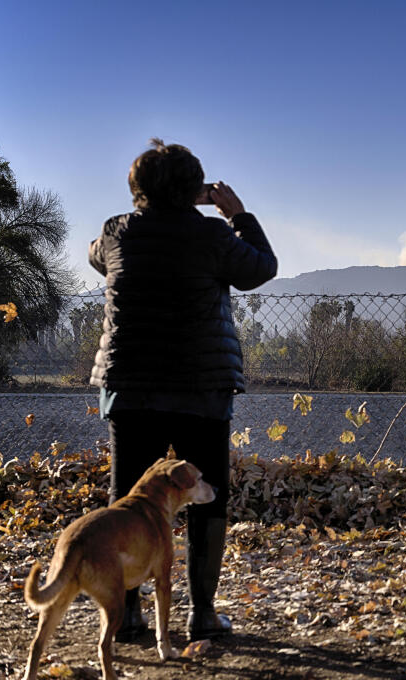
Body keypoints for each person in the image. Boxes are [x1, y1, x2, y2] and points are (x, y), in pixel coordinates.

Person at [88, 138, 277, 642]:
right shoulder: (214, 236)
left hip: (132, 387)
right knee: (207, 496)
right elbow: (262, 267)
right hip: (201, 387)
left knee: (126, 499)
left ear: (138, 191)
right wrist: (237, 214)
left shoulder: (117, 233)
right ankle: (202, 614)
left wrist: (149, 210)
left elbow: (96, 258)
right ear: (196, 188)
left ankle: (126, 615)